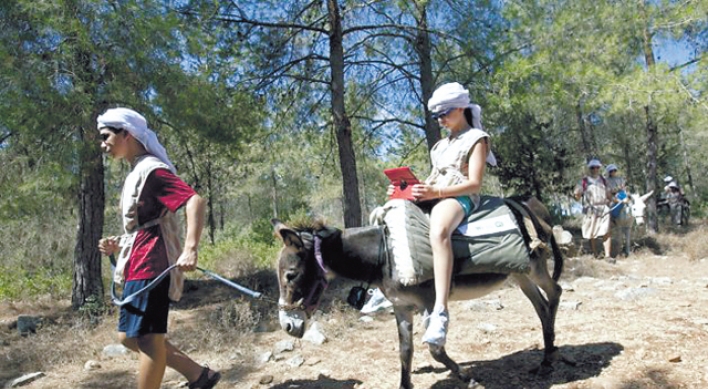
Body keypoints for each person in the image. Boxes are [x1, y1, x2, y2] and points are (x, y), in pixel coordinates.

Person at [96, 108, 221, 389]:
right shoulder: (138, 171)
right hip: (138, 261)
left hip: (153, 263)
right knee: (128, 337)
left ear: (126, 134)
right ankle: (200, 376)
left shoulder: (152, 170)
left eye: (106, 136)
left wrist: (190, 248)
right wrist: (118, 243)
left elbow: (194, 201)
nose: (102, 144)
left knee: (148, 338)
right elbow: (145, 223)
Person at [390, 82, 495, 347]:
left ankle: (440, 311)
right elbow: (432, 179)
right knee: (389, 213)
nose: (441, 120)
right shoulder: (439, 147)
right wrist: (409, 188)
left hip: (460, 197)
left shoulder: (477, 139)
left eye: (445, 113)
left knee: (438, 230)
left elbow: (474, 184)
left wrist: (436, 192)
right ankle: (390, 283)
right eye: (437, 116)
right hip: (437, 192)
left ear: (461, 107)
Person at [574, 159, 614, 262]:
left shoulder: (604, 180)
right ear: (590, 169)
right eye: (592, 167)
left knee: (607, 231)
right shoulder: (584, 181)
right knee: (592, 233)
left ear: (599, 168)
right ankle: (595, 254)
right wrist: (577, 193)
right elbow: (577, 196)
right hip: (591, 209)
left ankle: (607, 256)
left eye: (597, 167)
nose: (595, 169)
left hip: (604, 208)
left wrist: (612, 199)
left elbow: (609, 194)